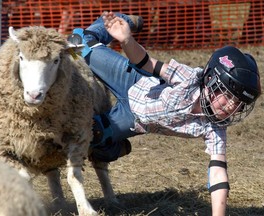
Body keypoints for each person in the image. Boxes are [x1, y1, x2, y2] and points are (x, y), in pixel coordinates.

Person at [68, 11, 261, 215]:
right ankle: (123, 21)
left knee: (94, 138)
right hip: (133, 82)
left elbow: (218, 173)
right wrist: (126, 40)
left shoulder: (216, 127)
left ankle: (115, 147)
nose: (232, 106)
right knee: (78, 45)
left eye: (240, 103)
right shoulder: (190, 78)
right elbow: (146, 62)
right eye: (228, 96)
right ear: (212, 81)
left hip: (135, 119)